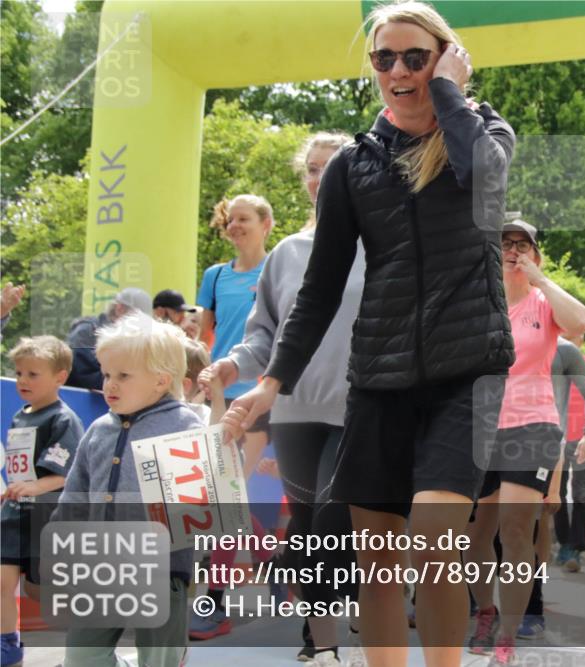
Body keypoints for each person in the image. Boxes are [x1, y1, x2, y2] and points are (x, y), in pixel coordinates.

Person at [221, 3, 515, 665]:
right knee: (375, 558)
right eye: (386, 58)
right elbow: (319, 289)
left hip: (466, 371)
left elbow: (484, 184)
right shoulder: (353, 165)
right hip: (378, 379)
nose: (400, 70)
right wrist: (269, 385)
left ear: (445, 58)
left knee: (437, 539)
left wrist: (452, 95)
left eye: (417, 56)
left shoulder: (484, 132)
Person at [201, 131, 363, 665]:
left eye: (332, 166)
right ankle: (321, 643)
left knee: (332, 525)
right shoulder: (286, 254)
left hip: (360, 411)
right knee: (311, 526)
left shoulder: (383, 245)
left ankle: (327, 638)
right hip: (292, 414)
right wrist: (230, 364)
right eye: (312, 169)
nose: (321, 177)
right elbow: (263, 336)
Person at [465, 217, 585, 665]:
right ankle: (485, 611)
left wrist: (540, 279)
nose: (514, 250)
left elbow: (580, 322)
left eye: (524, 244)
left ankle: (508, 636)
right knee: (477, 532)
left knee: (517, 528)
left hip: (532, 426)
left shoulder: (543, 302)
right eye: (505, 243)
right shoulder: (476, 301)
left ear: (535, 254)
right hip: (479, 428)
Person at [57, 313, 202, 667]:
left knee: (159, 660)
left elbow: (206, 499)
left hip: (162, 570)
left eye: (123, 375)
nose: (110, 384)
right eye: (106, 374)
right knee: (81, 657)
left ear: (160, 381)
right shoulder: (98, 430)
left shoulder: (184, 425)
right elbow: (75, 494)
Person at [1, 336, 83, 667]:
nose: (22, 380)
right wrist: (13, 489)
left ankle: (90, 642)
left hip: (46, 518)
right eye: (19, 373)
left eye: (33, 374)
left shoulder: (63, 420)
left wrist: (34, 487)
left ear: (60, 377)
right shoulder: (21, 416)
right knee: (2, 582)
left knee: (44, 592)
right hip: (13, 515)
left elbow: (66, 474)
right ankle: (8, 644)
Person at [197, 194, 273, 477]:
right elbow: (205, 335)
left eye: (244, 219)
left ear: (265, 224)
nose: (235, 225)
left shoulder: (277, 269)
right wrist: (201, 378)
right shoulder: (214, 275)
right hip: (218, 390)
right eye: (231, 220)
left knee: (245, 483)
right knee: (214, 476)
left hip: (260, 392)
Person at [551, 336, 585, 573]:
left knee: (580, 493)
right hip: (557, 436)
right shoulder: (547, 354)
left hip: (582, 437)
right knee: (556, 493)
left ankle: (577, 547)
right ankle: (563, 543)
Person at [65, 287, 153, 390]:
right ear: (119, 309)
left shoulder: (134, 338)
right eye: (138, 316)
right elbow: (85, 376)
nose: (141, 323)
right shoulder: (86, 331)